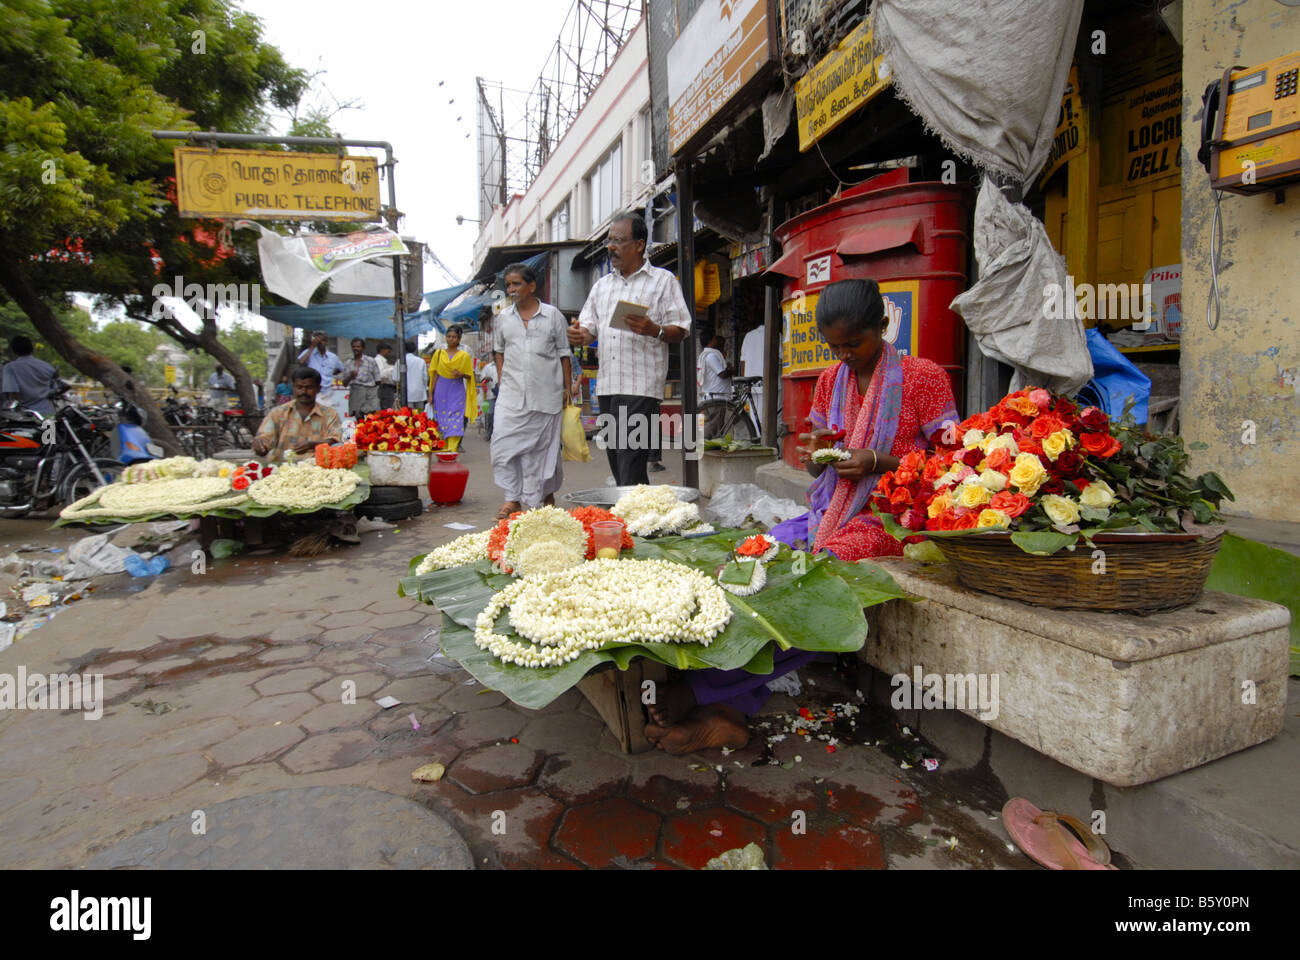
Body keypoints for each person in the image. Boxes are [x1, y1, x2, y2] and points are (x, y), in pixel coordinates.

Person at [643, 279, 958, 755]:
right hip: (830, 510)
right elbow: (816, 462)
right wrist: (817, 455)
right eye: (836, 346)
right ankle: (730, 707)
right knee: (756, 560)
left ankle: (704, 693)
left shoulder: (924, 377)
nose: (845, 354)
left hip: (890, 519)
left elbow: (954, 467)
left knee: (817, 581)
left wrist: (878, 462)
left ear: (883, 326)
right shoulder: (832, 381)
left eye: (855, 343)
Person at [568, 212, 691, 486]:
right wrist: (579, 335)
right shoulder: (602, 286)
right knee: (615, 454)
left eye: (619, 241)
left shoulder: (662, 280)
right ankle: (638, 512)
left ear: (639, 245)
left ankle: (630, 520)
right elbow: (588, 329)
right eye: (609, 241)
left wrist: (654, 329)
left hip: (641, 384)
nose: (611, 247)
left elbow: (681, 327)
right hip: (609, 384)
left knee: (630, 455)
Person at [491, 263, 573, 519]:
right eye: (508, 285)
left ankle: (545, 495)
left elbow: (564, 354)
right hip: (511, 395)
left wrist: (567, 389)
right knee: (502, 446)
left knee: (543, 451)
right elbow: (499, 351)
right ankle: (512, 498)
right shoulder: (503, 318)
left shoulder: (553, 316)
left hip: (546, 393)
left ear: (532, 286)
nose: (511, 289)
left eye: (516, 284)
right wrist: (503, 379)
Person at [251, 366, 343, 461]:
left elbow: (335, 439)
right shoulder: (277, 413)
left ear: (318, 389)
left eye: (309, 387)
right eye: (299, 387)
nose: (303, 392)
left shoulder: (330, 414)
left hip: (317, 469)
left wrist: (312, 445)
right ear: (293, 387)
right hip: (282, 469)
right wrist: (260, 446)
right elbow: (265, 439)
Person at [428, 325, 477, 453]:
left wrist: (461, 374)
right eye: (449, 336)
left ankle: (452, 449)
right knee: (441, 419)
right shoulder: (438, 354)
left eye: (454, 337)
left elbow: (470, 375)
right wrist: (431, 394)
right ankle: (443, 448)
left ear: (459, 338)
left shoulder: (464, 356)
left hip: (457, 389)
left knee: (456, 418)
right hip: (441, 390)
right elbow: (434, 375)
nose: (451, 339)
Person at [2, 336, 58, 415]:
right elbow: (54, 390)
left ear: (13, 350)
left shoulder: (10, 368)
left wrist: (17, 415)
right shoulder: (47, 366)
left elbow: (14, 394)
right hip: (48, 412)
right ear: (32, 349)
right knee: (50, 428)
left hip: (27, 416)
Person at [697, 331, 733, 439]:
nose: (716, 340)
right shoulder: (711, 356)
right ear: (710, 341)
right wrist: (732, 370)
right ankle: (703, 447)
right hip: (716, 396)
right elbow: (722, 374)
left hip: (715, 395)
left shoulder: (707, 355)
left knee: (716, 425)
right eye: (714, 338)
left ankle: (708, 446)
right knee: (712, 425)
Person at [341, 337, 380, 417]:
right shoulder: (348, 363)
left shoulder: (370, 361)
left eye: (358, 346)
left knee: (371, 418)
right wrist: (350, 376)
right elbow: (344, 383)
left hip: (369, 393)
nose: (355, 348)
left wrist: (372, 393)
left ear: (363, 348)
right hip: (355, 392)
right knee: (358, 417)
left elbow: (378, 380)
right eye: (353, 346)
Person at [374, 342, 398, 411]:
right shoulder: (378, 360)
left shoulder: (384, 361)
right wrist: (392, 368)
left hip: (388, 388)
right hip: (384, 388)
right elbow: (381, 374)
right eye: (388, 352)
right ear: (382, 351)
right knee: (387, 409)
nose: (389, 354)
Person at [404, 339, 427, 407]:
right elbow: (425, 378)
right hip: (419, 393)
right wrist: (424, 387)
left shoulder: (401, 361)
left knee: (407, 415)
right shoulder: (421, 361)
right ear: (415, 349)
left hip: (406, 394)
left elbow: (395, 377)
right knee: (420, 415)